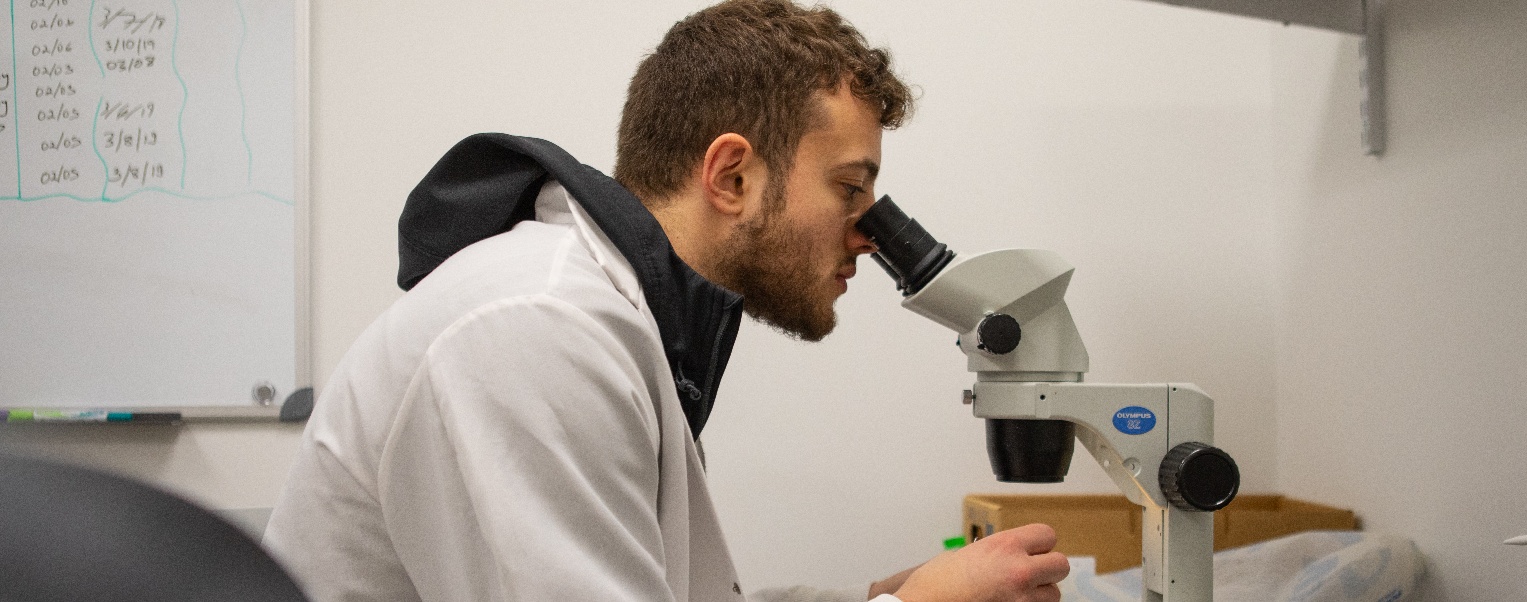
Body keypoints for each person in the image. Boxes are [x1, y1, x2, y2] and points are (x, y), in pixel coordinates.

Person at [263, 2, 1068, 601]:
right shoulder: (539, 330)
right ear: (731, 176)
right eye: (849, 188)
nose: (867, 236)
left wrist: (882, 598)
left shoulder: (620, 323)